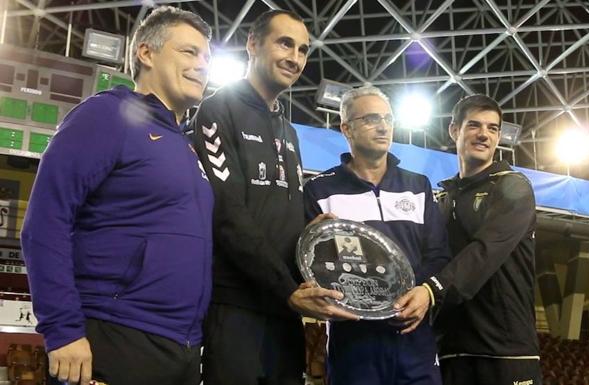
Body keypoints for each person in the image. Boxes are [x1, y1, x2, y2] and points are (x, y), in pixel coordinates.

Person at [21, 6, 214, 385]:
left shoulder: (188, 148)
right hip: (113, 335)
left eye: (207, 57)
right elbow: (46, 221)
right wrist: (64, 329)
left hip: (183, 347)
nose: (202, 65)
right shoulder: (106, 115)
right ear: (146, 53)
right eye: (189, 52)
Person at [190, 9, 354, 385]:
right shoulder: (217, 110)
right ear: (252, 44)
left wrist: (307, 233)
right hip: (236, 306)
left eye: (302, 50)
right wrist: (288, 290)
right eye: (285, 43)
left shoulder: (288, 130)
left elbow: (277, 214)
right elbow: (228, 216)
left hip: (284, 310)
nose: (295, 58)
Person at [303, 86, 451, 385]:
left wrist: (421, 294)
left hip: (413, 334)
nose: (383, 126)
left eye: (388, 118)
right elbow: (311, 267)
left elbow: (438, 255)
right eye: (371, 119)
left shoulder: (418, 185)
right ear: (346, 128)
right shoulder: (319, 190)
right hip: (354, 341)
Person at [420, 95, 542, 384]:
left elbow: (485, 252)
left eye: (492, 128)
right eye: (474, 125)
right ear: (454, 131)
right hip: (451, 350)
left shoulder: (513, 187)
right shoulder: (443, 198)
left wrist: (430, 291)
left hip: (505, 352)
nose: (484, 134)